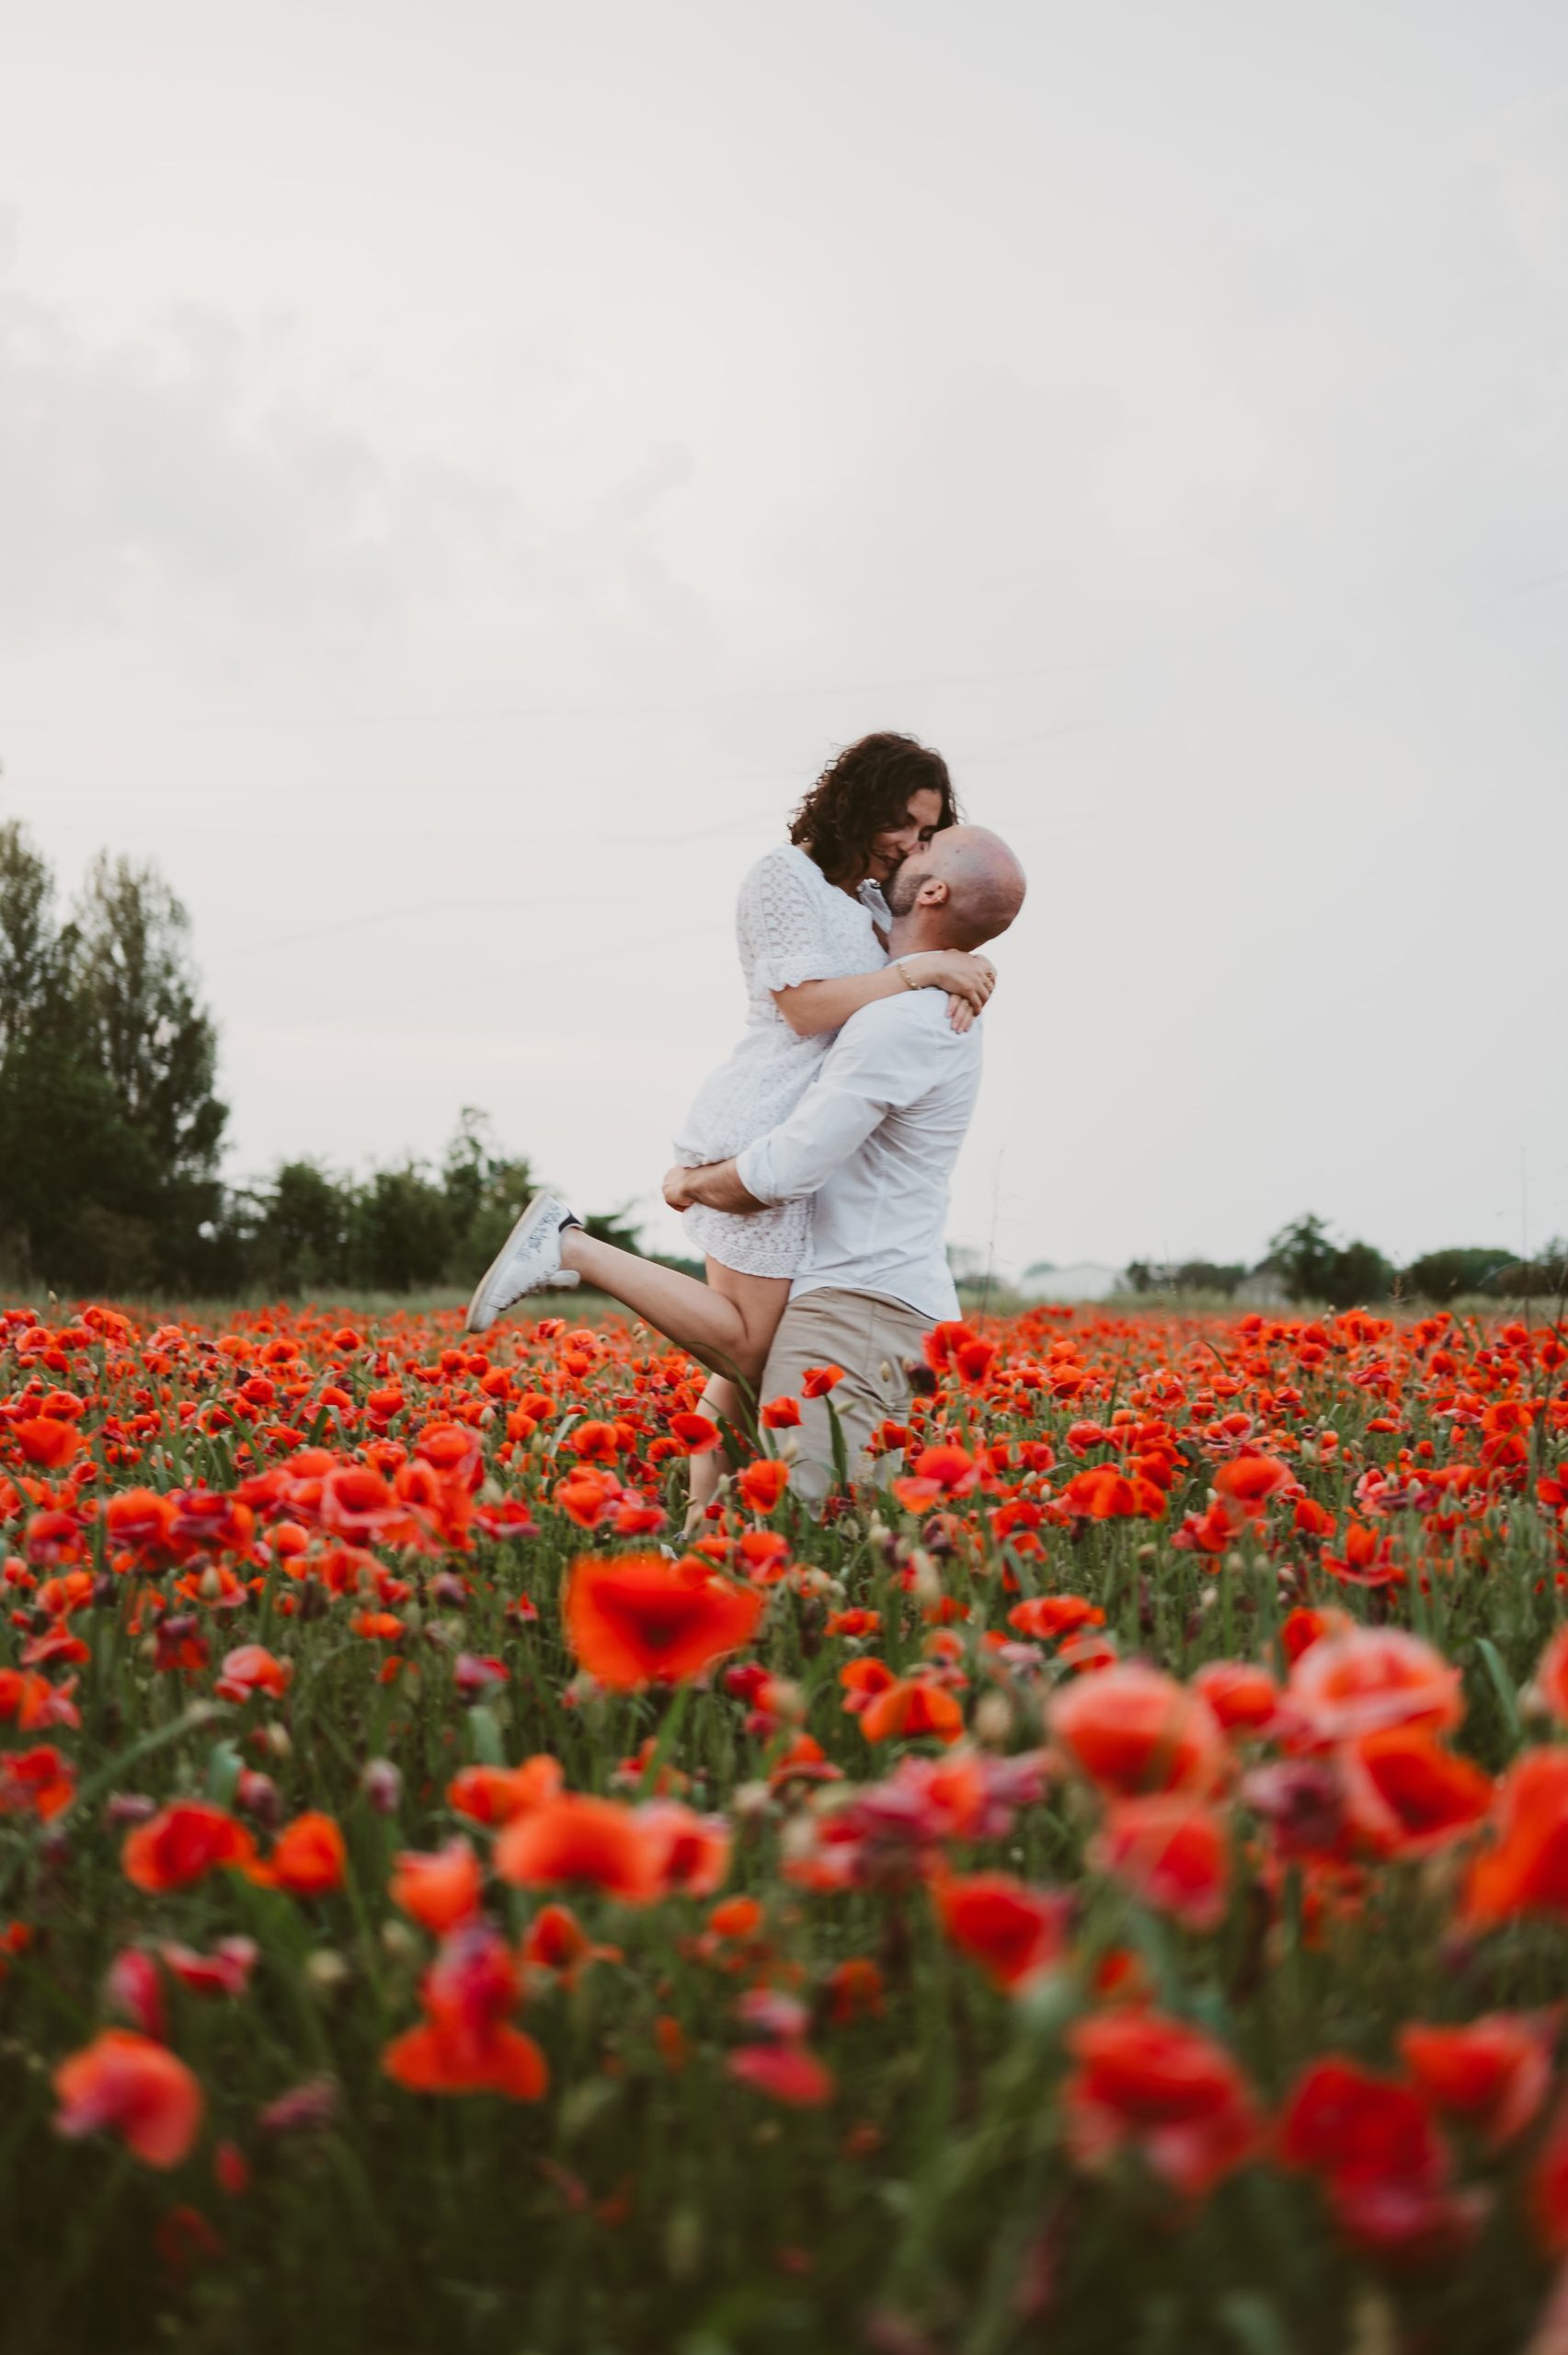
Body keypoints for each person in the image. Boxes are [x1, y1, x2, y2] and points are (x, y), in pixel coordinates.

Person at [470, 732, 996, 1517]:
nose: (910, 848)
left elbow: (939, 927)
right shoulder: (781, 876)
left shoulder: (861, 901)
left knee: (744, 1363)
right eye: (904, 826)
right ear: (859, 801)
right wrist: (922, 970)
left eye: (926, 836)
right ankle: (569, 1242)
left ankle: (696, 1523)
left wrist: (969, 960)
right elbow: (803, 1005)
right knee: (750, 1346)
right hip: (760, 1121)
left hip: (799, 1134)